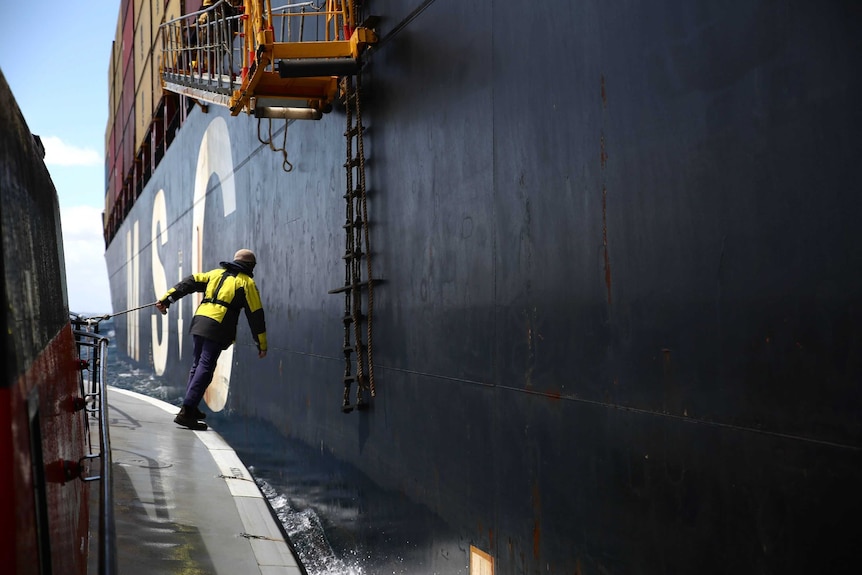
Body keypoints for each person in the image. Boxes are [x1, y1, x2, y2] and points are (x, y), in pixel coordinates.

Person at [156, 248, 267, 430]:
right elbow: (256, 315)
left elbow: (189, 282)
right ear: (250, 266)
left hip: (199, 321)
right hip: (217, 326)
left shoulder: (214, 274)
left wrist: (167, 299)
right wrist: (261, 344)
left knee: (197, 365)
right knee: (206, 367)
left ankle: (191, 405)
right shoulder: (247, 283)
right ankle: (187, 410)